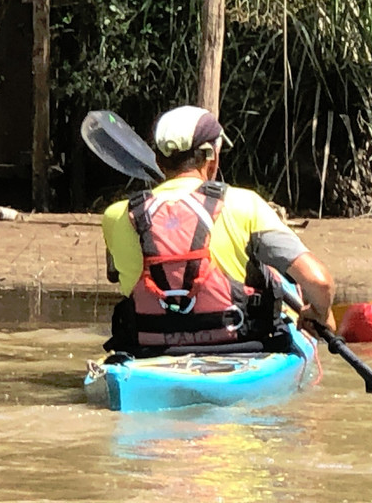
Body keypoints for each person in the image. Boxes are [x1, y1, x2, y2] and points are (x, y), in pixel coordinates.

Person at [102, 105, 336, 353]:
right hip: (240, 347)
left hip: (146, 350)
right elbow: (319, 282)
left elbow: (117, 275)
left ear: (159, 160)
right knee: (269, 278)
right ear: (212, 156)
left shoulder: (116, 215)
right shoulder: (245, 204)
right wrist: (320, 314)